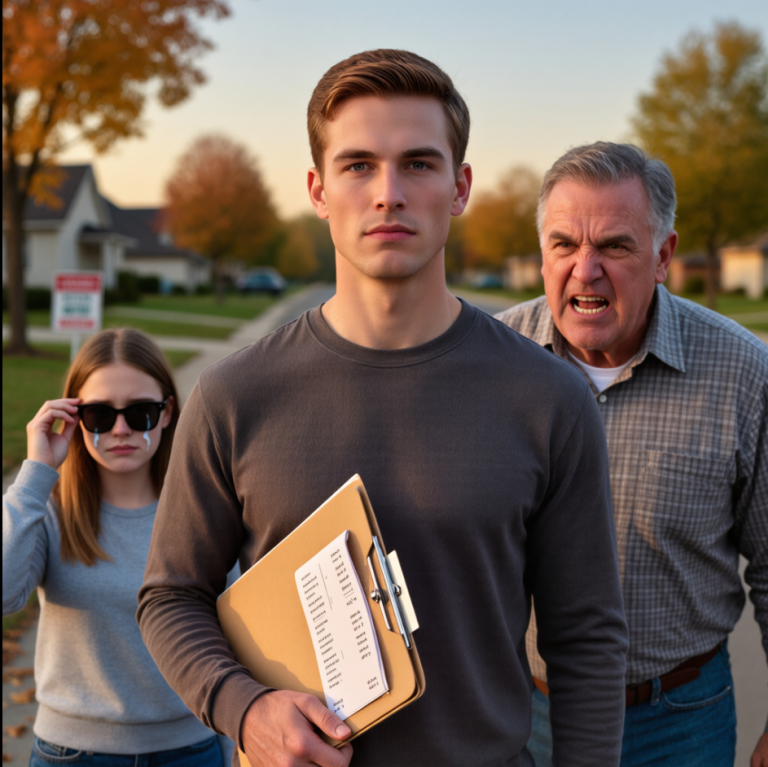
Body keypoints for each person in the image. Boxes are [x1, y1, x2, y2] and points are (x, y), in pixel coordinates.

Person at [138, 49, 628, 767]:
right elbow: (170, 596)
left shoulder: (550, 397)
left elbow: (586, 635)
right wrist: (245, 708)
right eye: (358, 164)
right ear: (317, 188)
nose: (388, 192)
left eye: (419, 164)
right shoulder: (232, 395)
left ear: (460, 187)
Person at [496, 141, 768, 767]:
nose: (585, 270)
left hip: (680, 720)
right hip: (526, 714)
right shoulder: (487, 366)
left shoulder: (742, 375)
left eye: (615, 246)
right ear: (542, 253)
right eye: (564, 244)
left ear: (664, 255)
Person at [2, 328, 226, 767]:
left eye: (140, 411)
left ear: (167, 413)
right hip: (71, 754)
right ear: (73, 416)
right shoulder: (48, 509)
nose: (120, 429)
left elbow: (240, 636)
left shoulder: (206, 508)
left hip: (190, 750)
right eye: (100, 415)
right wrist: (35, 473)